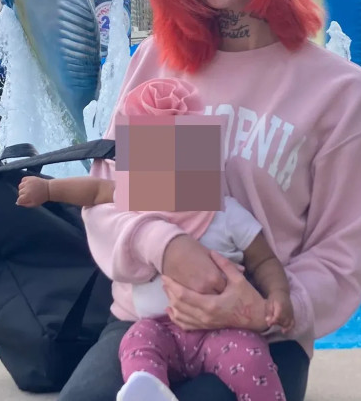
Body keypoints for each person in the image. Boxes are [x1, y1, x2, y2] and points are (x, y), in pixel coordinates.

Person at [59, 0, 361, 400]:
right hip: (144, 325)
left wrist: (260, 308)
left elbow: (341, 259)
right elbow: (107, 199)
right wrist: (164, 246)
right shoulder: (156, 63)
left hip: (266, 339)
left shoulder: (342, 93)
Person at [18, 76, 295, 400]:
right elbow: (94, 191)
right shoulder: (141, 196)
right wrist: (48, 189)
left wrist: (279, 295)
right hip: (155, 327)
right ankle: (149, 391)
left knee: (251, 358)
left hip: (224, 328)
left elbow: (263, 260)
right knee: (136, 346)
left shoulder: (225, 212)